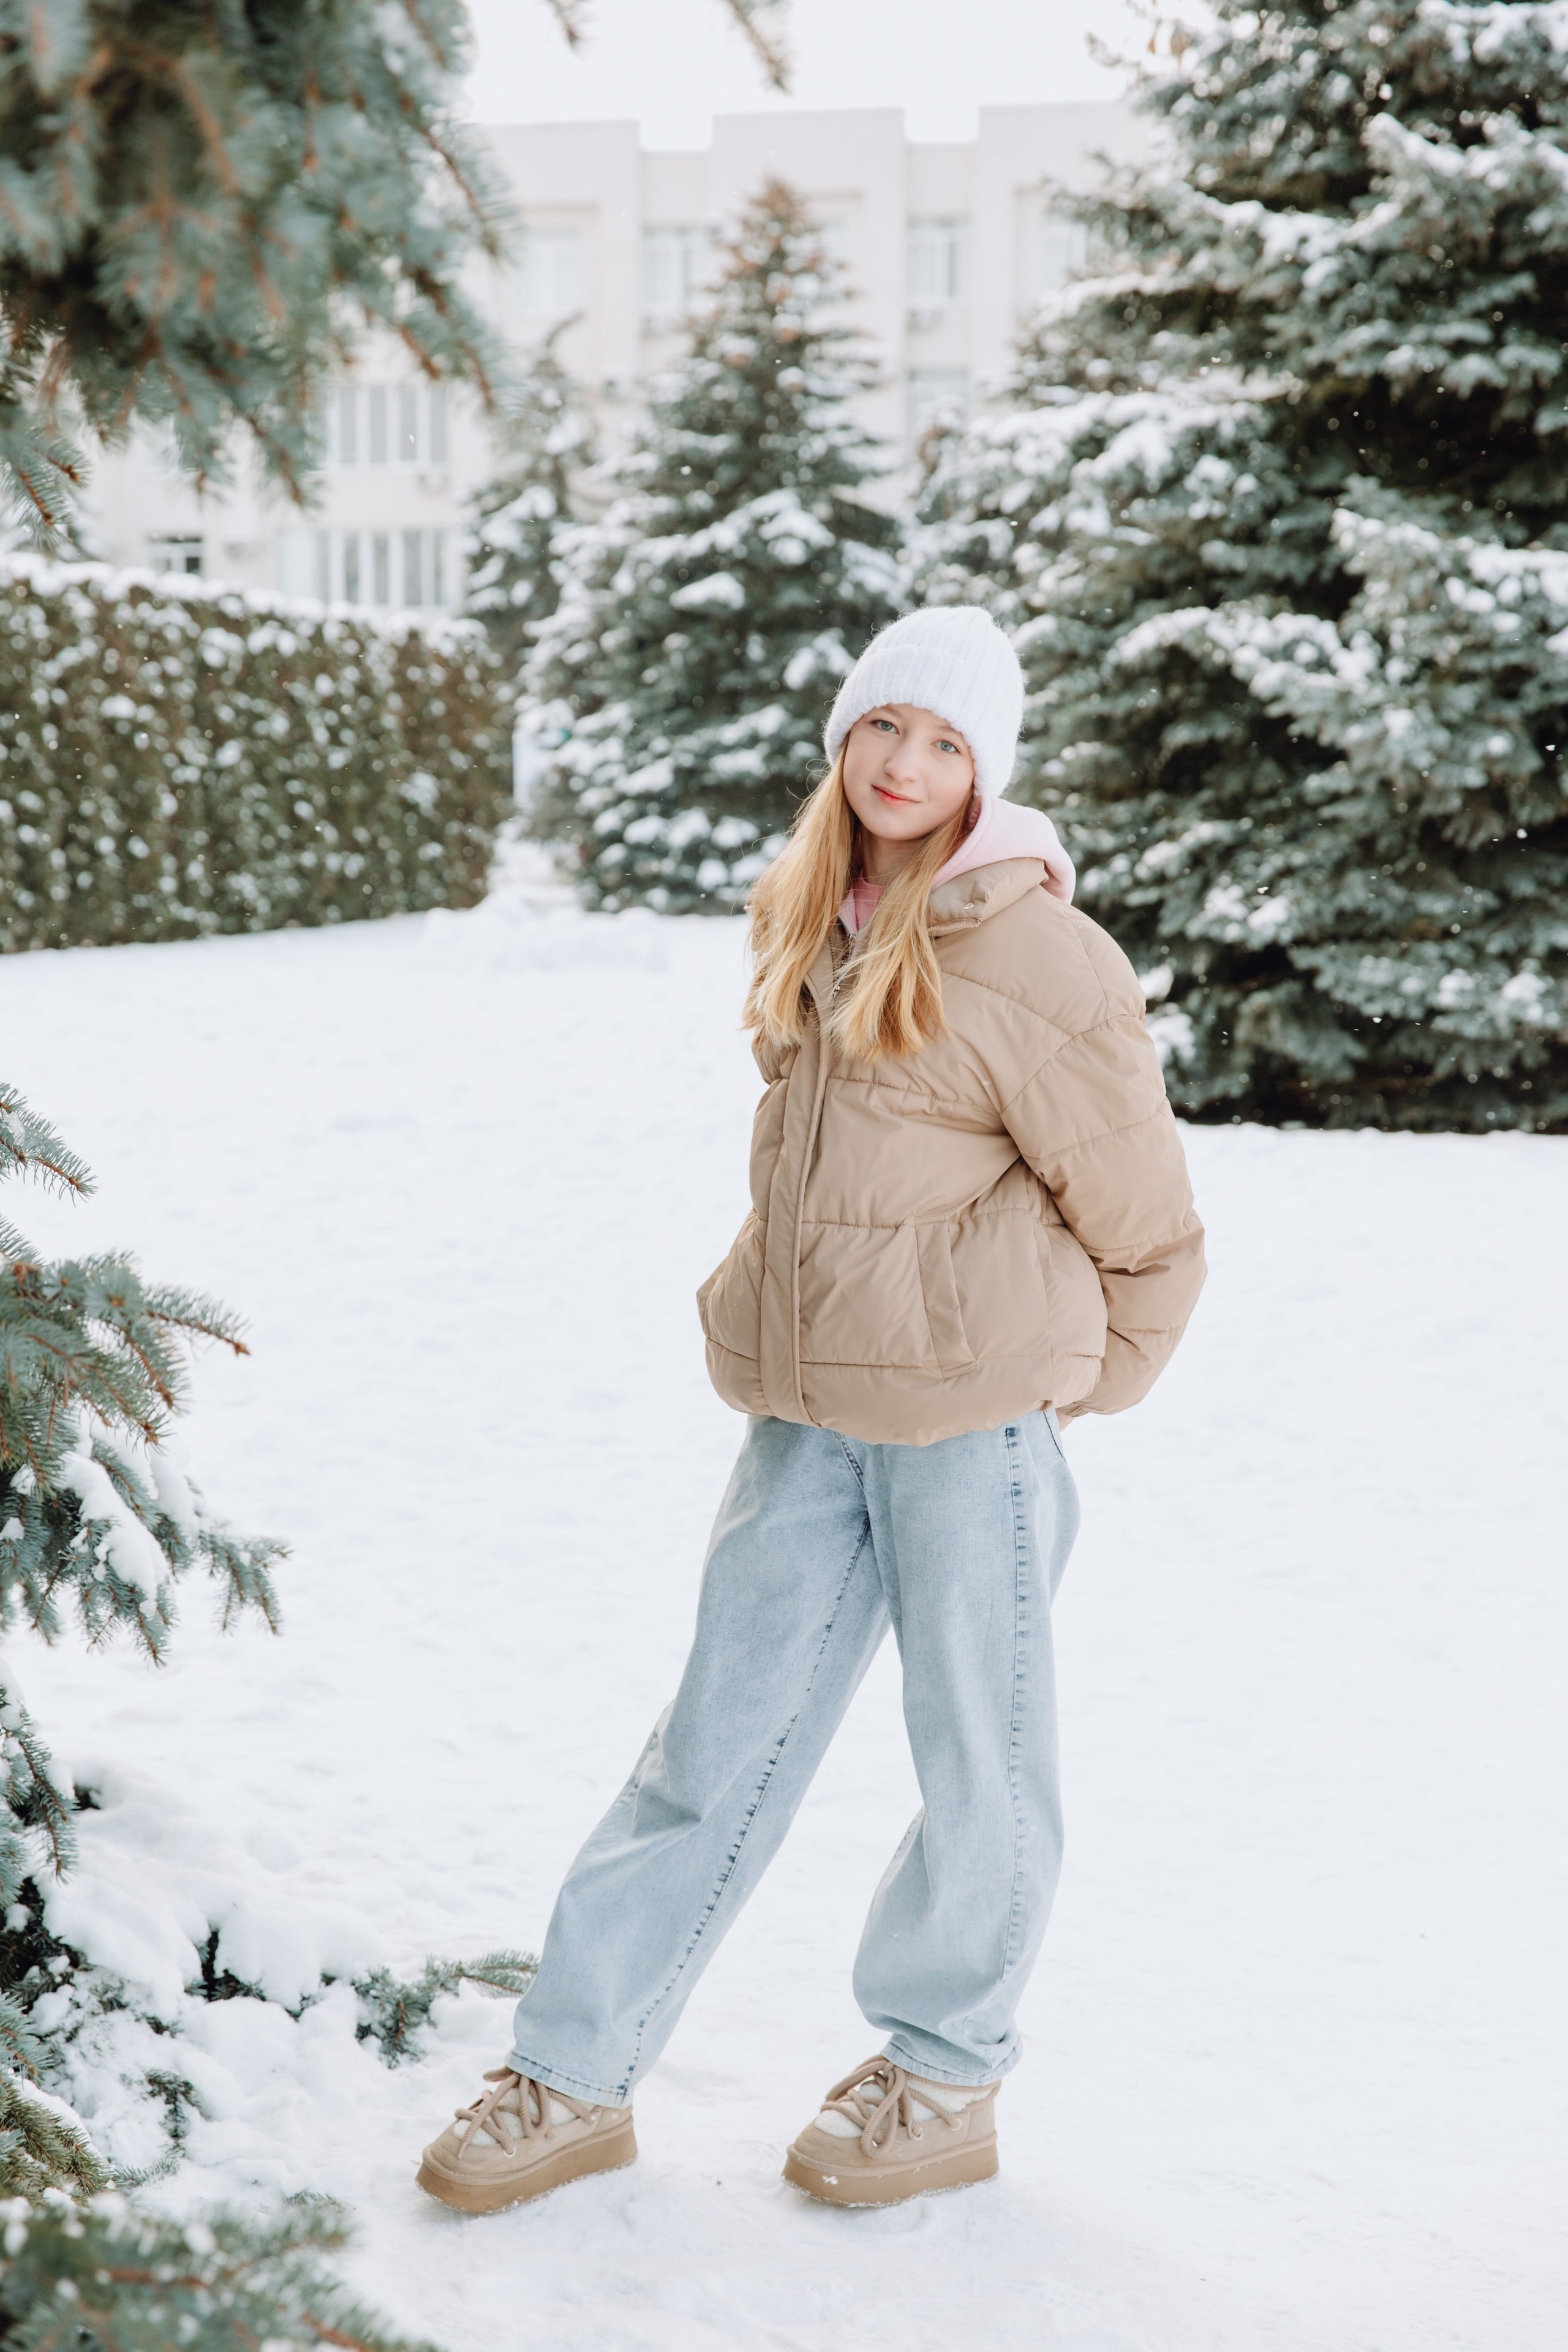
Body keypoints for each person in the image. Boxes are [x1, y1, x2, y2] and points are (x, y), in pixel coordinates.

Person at [417, 605, 1205, 2212]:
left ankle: (943, 2069)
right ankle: (572, 2070)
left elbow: (1147, 1214)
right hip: (811, 1420)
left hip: (971, 1427)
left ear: (988, 777)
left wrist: (1070, 1380)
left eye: (944, 743)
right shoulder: (822, 916)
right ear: (842, 743)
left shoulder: (1040, 952)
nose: (905, 764)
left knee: (979, 1759)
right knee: (710, 1744)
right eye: (882, 729)